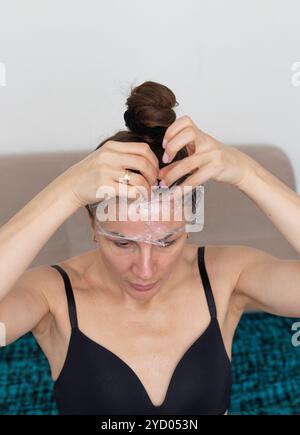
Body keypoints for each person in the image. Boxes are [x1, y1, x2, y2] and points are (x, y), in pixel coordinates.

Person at [0, 81, 300, 415]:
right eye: (123, 242)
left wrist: (248, 173)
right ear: (93, 226)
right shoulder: (53, 294)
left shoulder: (227, 276)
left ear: (188, 226)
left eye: (167, 241)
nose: (145, 269)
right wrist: (67, 191)